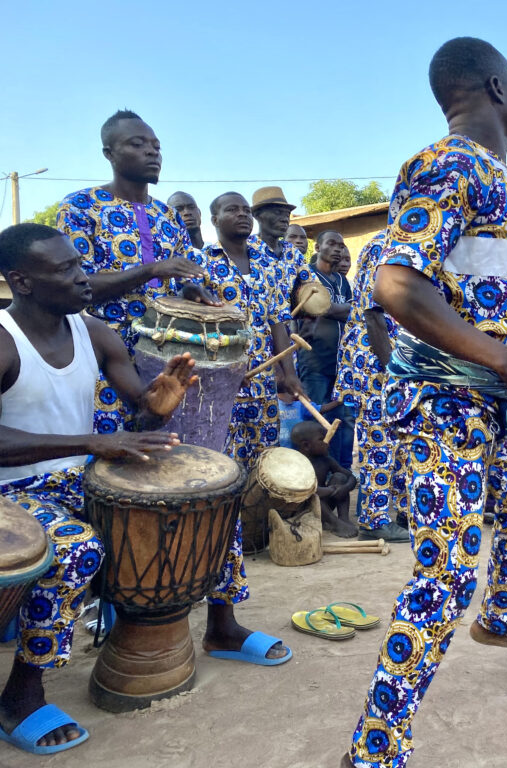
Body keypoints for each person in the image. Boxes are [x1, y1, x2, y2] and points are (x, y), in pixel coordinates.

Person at [341, 38, 507, 768]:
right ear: (498, 87)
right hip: (448, 405)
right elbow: (397, 287)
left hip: (500, 405)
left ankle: (499, 620)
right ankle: (374, 752)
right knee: (446, 572)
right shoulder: (450, 164)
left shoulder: (503, 182)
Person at [0, 224, 282, 754]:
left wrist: (160, 401)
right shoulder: (3, 339)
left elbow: (138, 406)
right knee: (77, 547)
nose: (84, 279)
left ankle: (223, 628)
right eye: (65, 270)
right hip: (12, 496)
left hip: (76, 476)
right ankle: (22, 693)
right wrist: (92, 440)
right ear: (22, 280)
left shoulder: (95, 333)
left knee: (210, 499)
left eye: (80, 264)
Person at [56, 110, 206, 432]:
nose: (152, 152)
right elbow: (76, 287)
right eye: (138, 144)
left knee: (158, 451)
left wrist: (189, 291)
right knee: (106, 453)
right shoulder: (81, 207)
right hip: (98, 357)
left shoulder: (168, 215)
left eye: (156, 145)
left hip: (161, 357)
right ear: (109, 153)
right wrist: (151, 268)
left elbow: (173, 281)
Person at [190, 193, 305, 468]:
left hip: (262, 383)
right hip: (219, 385)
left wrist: (288, 374)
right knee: (222, 461)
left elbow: (277, 321)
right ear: (215, 219)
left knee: (264, 459)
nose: (242, 214)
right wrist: (220, 367)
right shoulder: (202, 263)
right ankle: (228, 514)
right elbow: (195, 323)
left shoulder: (268, 265)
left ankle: (259, 512)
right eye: (232, 210)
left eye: (245, 210)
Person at [334, 231, 406, 542]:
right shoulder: (384, 246)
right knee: (380, 442)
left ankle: (405, 511)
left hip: (395, 360)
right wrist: (392, 369)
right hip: (377, 362)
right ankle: (374, 520)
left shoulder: (406, 243)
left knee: (402, 439)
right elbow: (373, 314)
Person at [296, 230, 352, 406]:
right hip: (315, 362)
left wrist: (329, 309)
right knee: (316, 420)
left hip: (341, 363)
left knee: (341, 419)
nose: (337, 250)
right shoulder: (306, 275)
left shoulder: (343, 281)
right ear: (318, 247)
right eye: (331, 244)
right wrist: (333, 309)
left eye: (341, 246)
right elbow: (320, 308)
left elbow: (352, 313)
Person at [290, 421, 357, 537]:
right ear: (306, 445)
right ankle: (335, 523)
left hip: (325, 503)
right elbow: (306, 490)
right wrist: (331, 490)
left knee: (340, 477)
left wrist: (344, 488)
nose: (327, 443)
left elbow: (350, 477)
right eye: (322, 439)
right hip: (306, 508)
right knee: (312, 496)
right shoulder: (298, 464)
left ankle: (344, 518)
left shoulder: (326, 459)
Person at [250, 186, 312, 305]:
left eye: (287, 214)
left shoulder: (293, 253)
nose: (285, 219)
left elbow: (313, 288)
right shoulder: (245, 248)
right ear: (257, 215)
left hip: (285, 323)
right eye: (277, 212)